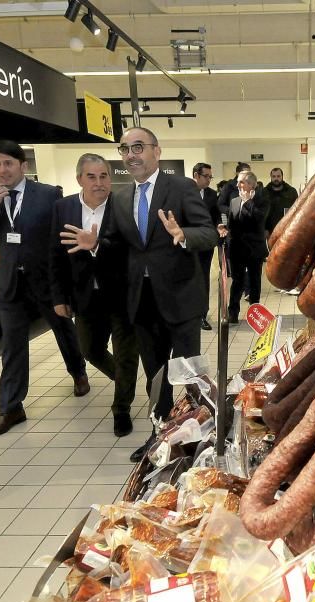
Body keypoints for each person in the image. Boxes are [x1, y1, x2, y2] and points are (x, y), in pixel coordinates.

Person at [64, 127, 217, 462]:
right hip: (142, 301)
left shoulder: (181, 187)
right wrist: (96, 246)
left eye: (137, 147)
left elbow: (208, 233)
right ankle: (160, 435)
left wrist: (183, 233)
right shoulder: (120, 198)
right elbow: (118, 247)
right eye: (124, 149)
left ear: (156, 151)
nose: (130, 155)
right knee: (156, 375)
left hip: (181, 298)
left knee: (189, 372)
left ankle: (199, 436)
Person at [0, 140, 90, 437]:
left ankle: (78, 372)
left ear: (23, 166)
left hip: (45, 279)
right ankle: (11, 408)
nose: (1, 169)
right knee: (12, 347)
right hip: (11, 284)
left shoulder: (48, 195)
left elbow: (61, 237)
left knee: (64, 330)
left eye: (8, 163)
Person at [50, 154, 140, 438]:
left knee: (127, 353)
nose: (99, 183)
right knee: (89, 349)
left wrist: (98, 244)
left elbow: (132, 247)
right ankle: (123, 379)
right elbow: (55, 256)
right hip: (84, 295)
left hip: (122, 292)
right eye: (92, 176)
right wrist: (58, 296)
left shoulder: (124, 204)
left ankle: (121, 409)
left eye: (104, 176)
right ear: (79, 179)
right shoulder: (63, 208)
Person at [226, 171, 269, 324]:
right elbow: (231, 224)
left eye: (241, 182)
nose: (238, 185)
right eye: (238, 182)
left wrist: (248, 202)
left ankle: (255, 315)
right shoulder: (234, 201)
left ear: (252, 185)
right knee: (237, 282)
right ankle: (233, 313)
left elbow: (259, 219)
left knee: (255, 282)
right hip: (237, 249)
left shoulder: (262, 201)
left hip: (254, 250)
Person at [192, 162, 219, 331]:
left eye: (210, 177)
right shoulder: (183, 192)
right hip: (186, 244)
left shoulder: (212, 195)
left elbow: (216, 217)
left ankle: (202, 314)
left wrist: (220, 226)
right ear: (196, 175)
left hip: (205, 246)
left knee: (203, 279)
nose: (209, 180)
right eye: (206, 176)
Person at [263, 167, 298, 237]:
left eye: (278, 176)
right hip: (269, 231)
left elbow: (297, 210)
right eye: (274, 176)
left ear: (282, 177)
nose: (276, 179)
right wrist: (263, 229)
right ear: (271, 177)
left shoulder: (291, 192)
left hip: (287, 230)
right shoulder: (264, 192)